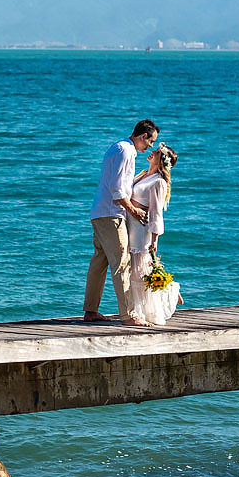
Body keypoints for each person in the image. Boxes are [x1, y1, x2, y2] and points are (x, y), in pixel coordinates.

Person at [83, 119, 160, 327]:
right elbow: (118, 190)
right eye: (151, 141)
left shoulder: (117, 147)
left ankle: (91, 311)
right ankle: (128, 315)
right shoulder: (126, 151)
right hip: (112, 214)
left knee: (99, 261)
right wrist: (134, 210)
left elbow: (117, 183)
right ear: (143, 136)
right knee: (122, 263)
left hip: (99, 212)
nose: (151, 146)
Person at [127, 143, 182, 325]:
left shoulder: (159, 182)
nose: (151, 152)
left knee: (139, 272)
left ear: (162, 161)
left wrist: (154, 238)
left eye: (156, 152)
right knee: (138, 271)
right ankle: (168, 290)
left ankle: (141, 311)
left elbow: (157, 212)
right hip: (131, 224)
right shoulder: (143, 174)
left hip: (142, 229)